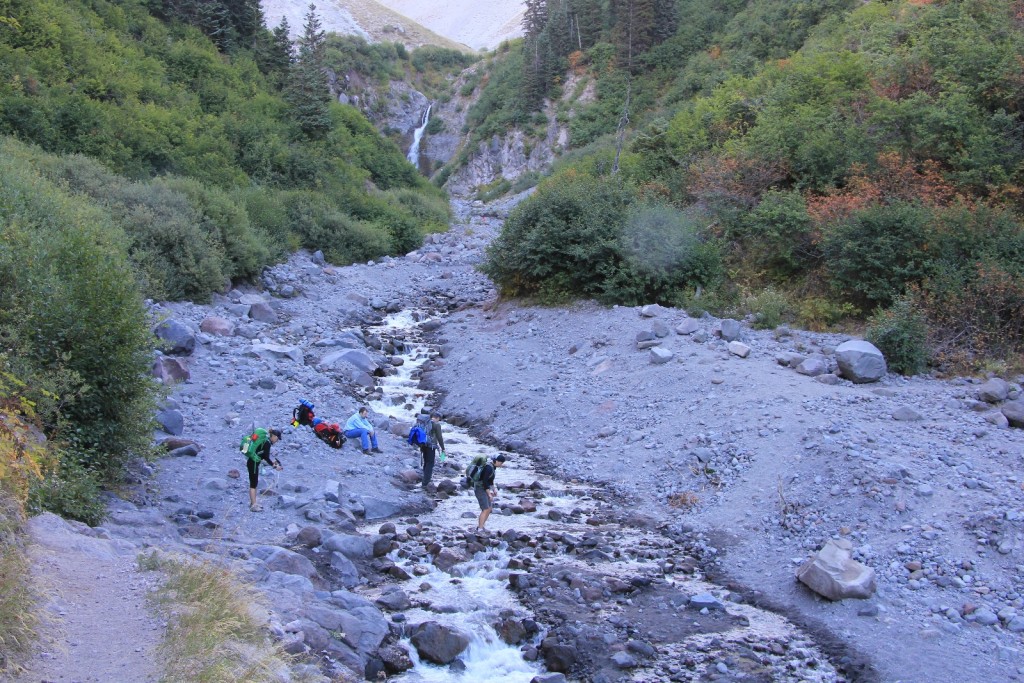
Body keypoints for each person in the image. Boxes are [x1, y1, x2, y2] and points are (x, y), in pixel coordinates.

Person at [242, 428, 282, 512]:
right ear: (274, 436)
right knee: (253, 484)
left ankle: (254, 503)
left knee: (254, 483)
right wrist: (275, 467)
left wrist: (272, 463)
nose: (277, 440)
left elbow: (262, 455)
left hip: (252, 462)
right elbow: (266, 457)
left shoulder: (265, 441)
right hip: (253, 463)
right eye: (277, 438)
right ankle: (253, 505)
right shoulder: (267, 443)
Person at [473, 454, 506, 532]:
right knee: (485, 509)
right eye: (501, 463)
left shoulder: (492, 467)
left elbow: (490, 480)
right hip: (479, 489)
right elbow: (484, 482)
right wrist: (489, 494)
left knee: (489, 508)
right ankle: (480, 529)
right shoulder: (488, 468)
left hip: (484, 488)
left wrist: (494, 489)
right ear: (496, 461)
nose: (501, 465)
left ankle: (481, 526)